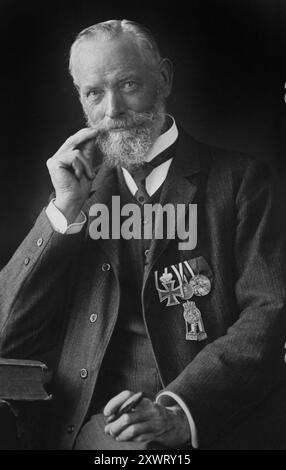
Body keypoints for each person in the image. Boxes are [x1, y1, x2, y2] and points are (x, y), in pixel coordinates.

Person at [0, 19, 286, 450]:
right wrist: (62, 211)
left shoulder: (243, 181)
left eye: (128, 84)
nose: (112, 110)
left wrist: (179, 410)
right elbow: (7, 334)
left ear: (164, 79)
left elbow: (269, 314)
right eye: (94, 93)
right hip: (83, 428)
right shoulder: (78, 193)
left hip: (201, 424)